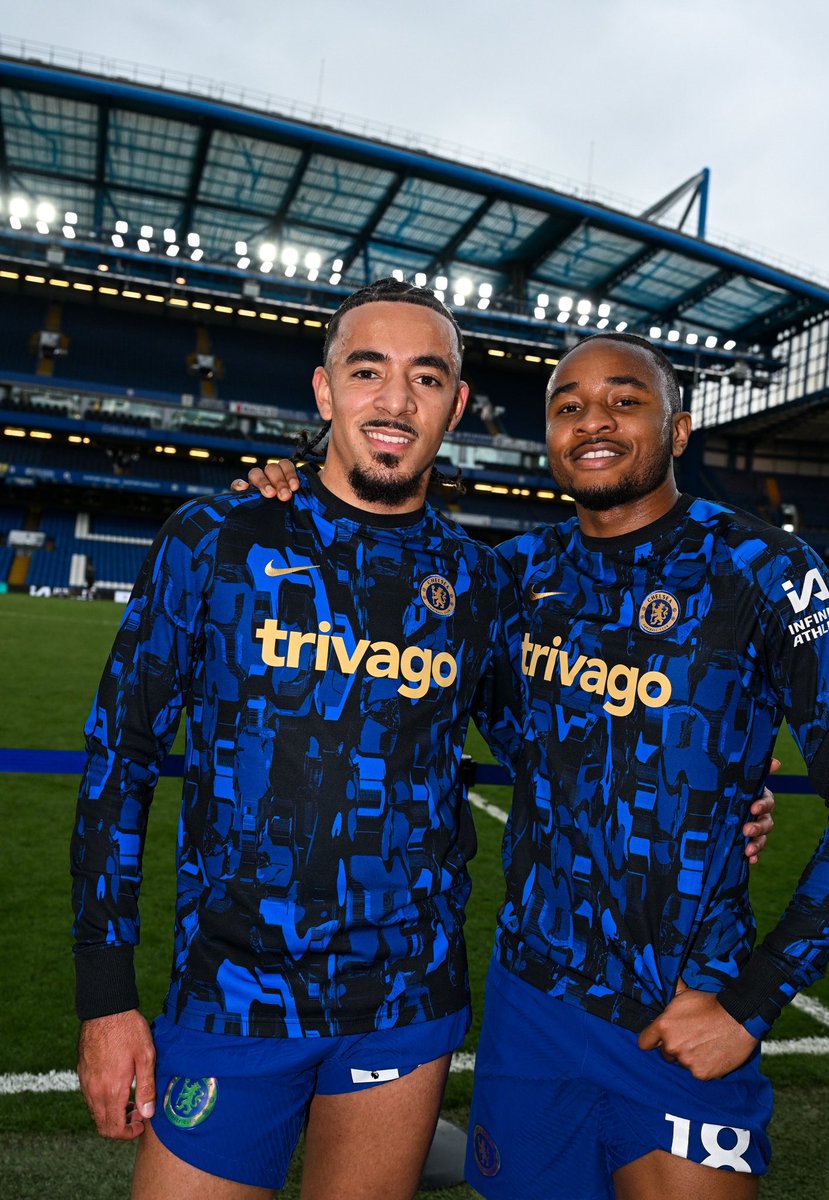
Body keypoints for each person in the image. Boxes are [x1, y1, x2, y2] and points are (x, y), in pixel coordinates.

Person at [246, 327, 829, 1199]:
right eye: (569, 406)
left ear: (677, 430)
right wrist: (285, 488)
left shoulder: (763, 569)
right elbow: (454, 705)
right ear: (550, 436)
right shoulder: (510, 578)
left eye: (625, 400)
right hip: (531, 1009)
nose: (593, 420)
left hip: (677, 1013)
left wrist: (752, 1005)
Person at [71, 279, 532, 1200]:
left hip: (404, 1005)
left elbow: (552, 754)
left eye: (426, 378)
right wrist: (105, 998)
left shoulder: (479, 583)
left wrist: (728, 795)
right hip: (232, 993)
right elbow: (119, 760)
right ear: (324, 393)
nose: (395, 402)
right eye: (368, 372)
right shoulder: (216, 539)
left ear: (458, 406)